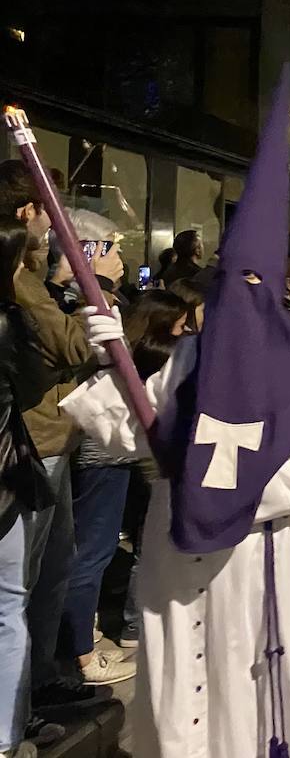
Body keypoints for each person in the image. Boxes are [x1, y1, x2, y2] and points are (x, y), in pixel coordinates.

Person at [61, 82, 290, 758]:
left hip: (262, 553)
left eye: (256, 285)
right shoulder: (187, 358)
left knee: (251, 686)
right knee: (188, 681)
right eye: (231, 285)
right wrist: (107, 354)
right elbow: (119, 422)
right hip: (180, 548)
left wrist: (236, 491)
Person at [0, 160, 104, 712]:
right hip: (32, 445)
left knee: (51, 570)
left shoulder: (30, 271)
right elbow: (69, 347)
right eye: (49, 209)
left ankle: (37, 680)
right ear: (27, 212)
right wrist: (94, 321)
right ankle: (17, 704)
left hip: (52, 438)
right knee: (21, 582)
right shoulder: (16, 279)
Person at [60, 290, 189, 686]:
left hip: (109, 461)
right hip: (105, 460)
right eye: (182, 326)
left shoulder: (134, 351)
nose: (186, 333)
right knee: (92, 554)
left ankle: (81, 637)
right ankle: (80, 652)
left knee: (93, 552)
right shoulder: (146, 356)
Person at [0, 217, 58, 758]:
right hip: (4, 485)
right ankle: (5, 735)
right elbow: (49, 371)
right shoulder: (11, 323)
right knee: (9, 604)